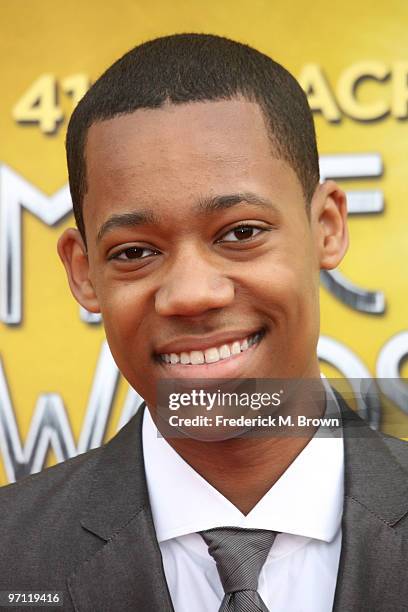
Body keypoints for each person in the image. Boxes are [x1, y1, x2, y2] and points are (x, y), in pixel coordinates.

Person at [0, 33, 407, 612]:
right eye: (135, 251)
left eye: (241, 233)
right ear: (84, 272)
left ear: (327, 227)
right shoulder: (10, 557)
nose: (192, 295)